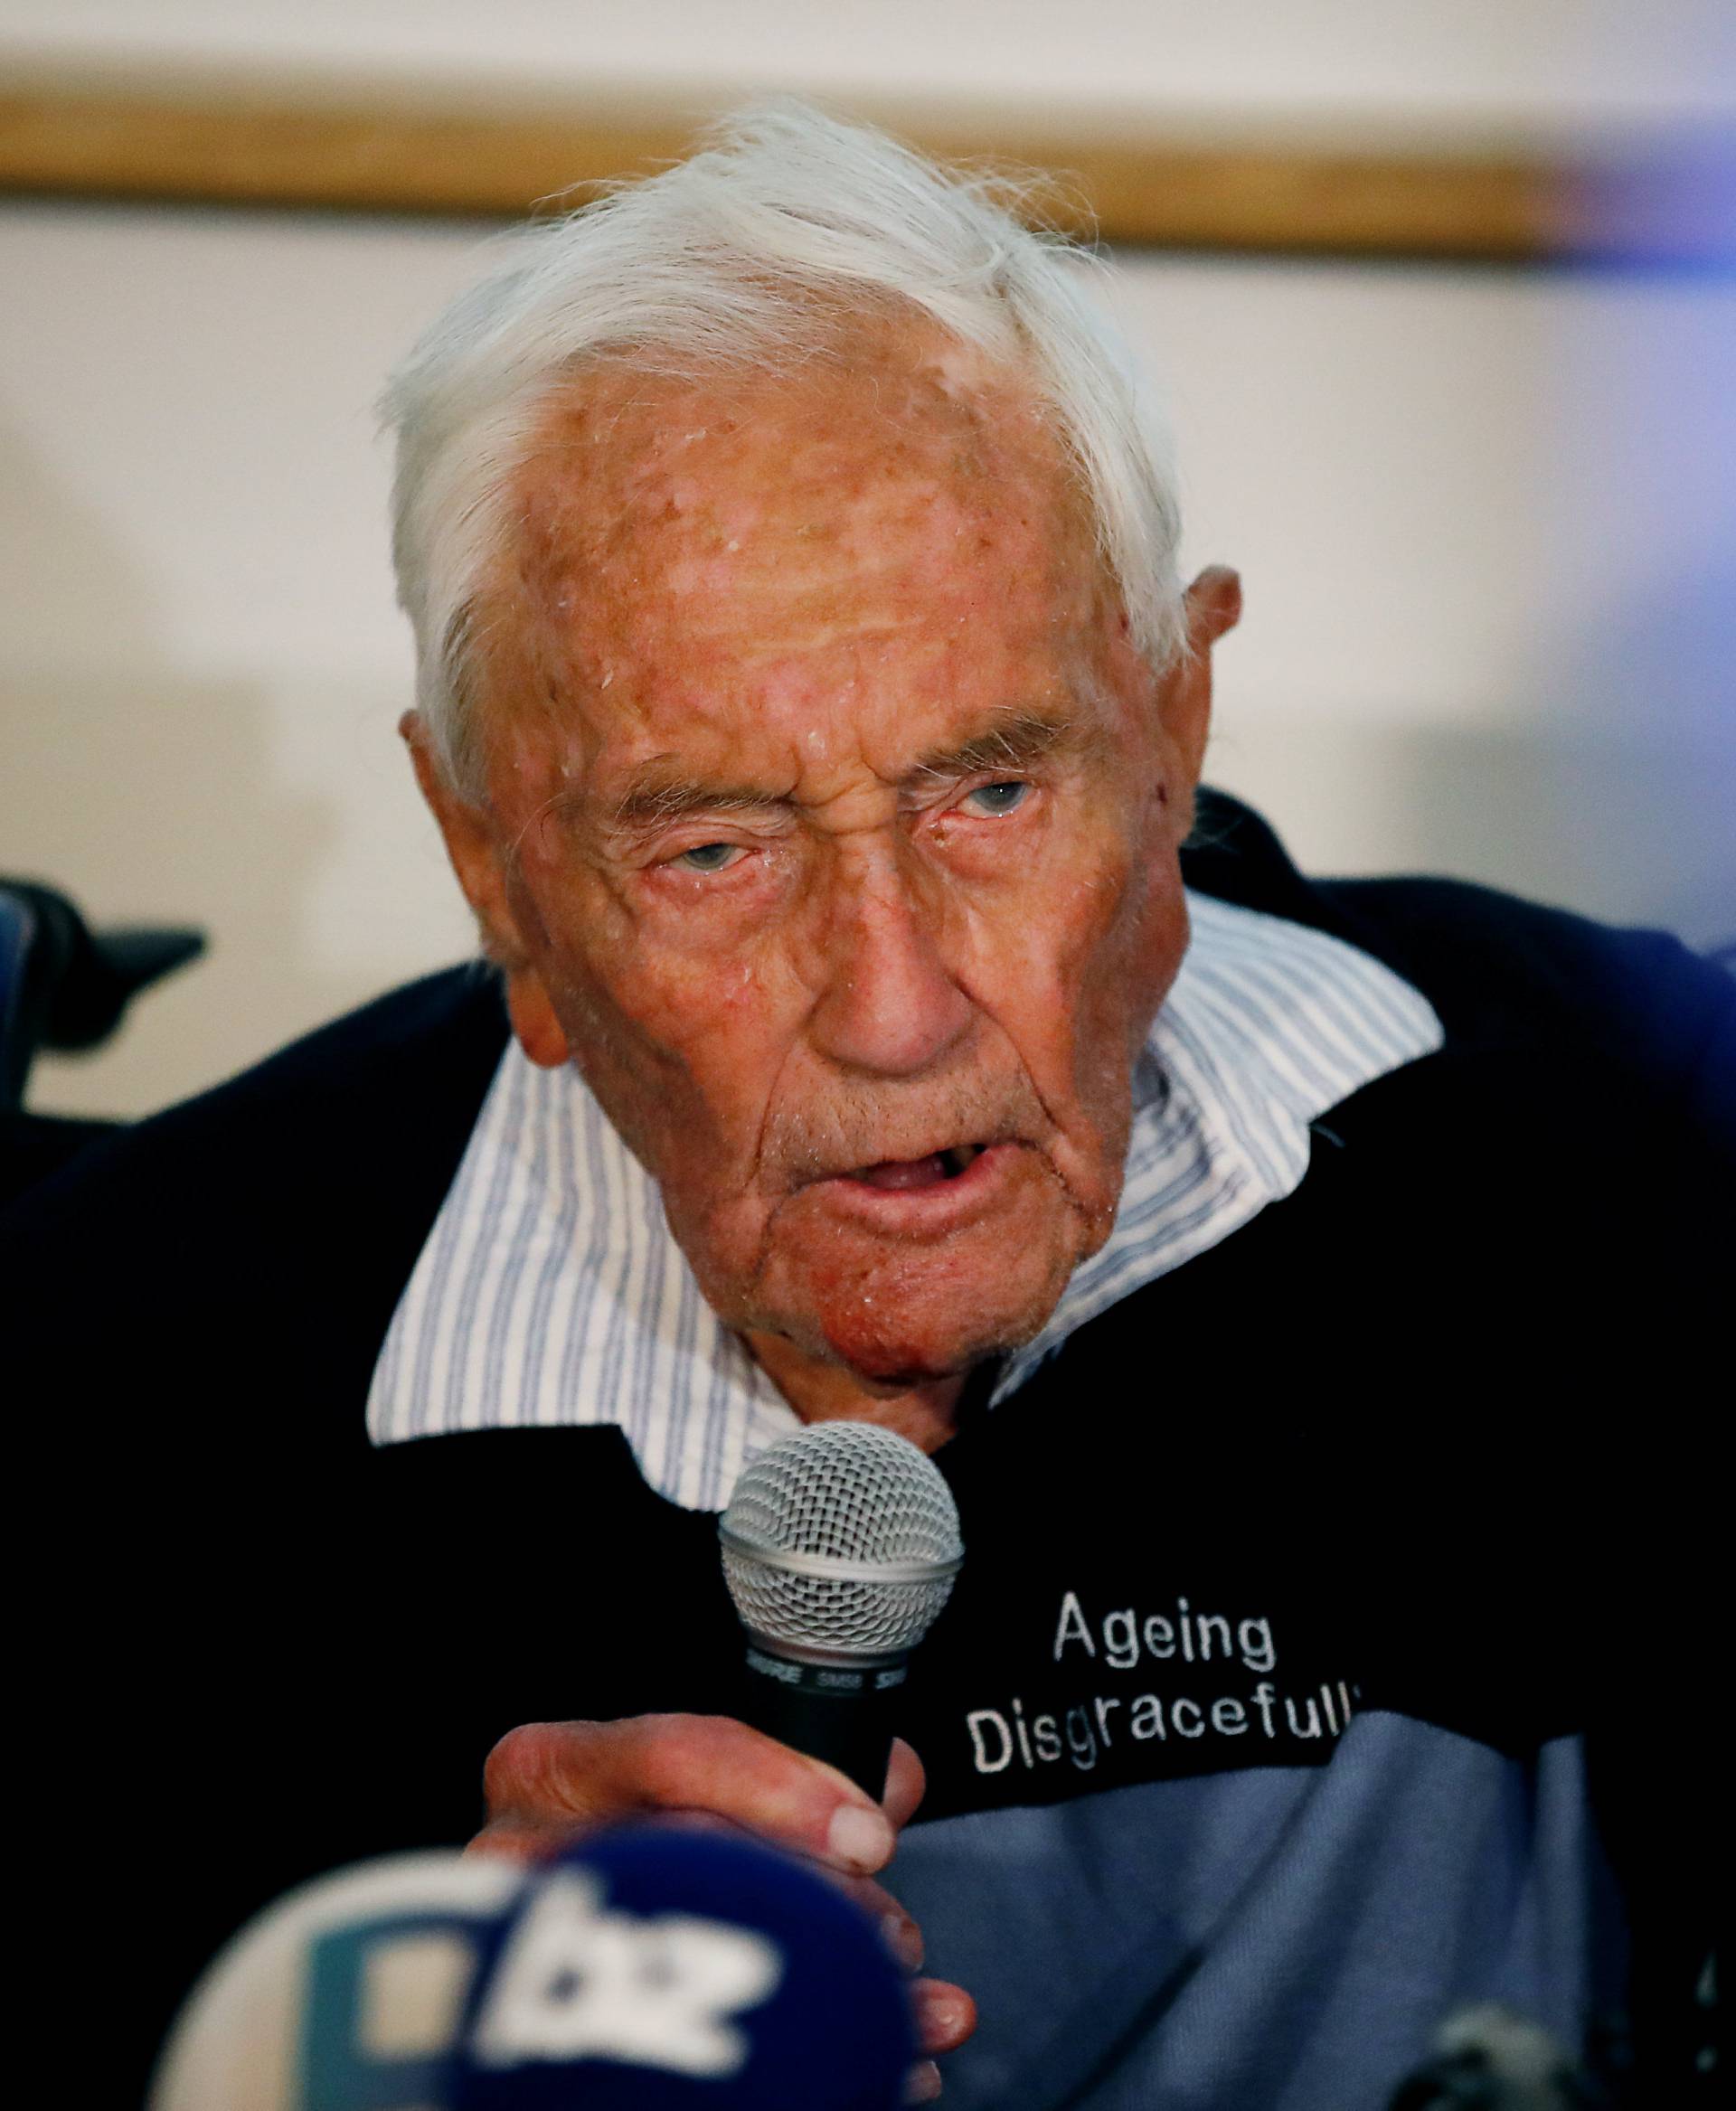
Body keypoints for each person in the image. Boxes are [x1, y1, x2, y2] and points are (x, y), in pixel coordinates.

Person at [5, 104, 1728, 2110]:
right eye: (717, 848)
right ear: (493, 868)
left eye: (990, 795)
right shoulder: (105, 1395)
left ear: (1172, 725)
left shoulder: (1630, 1136)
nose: (898, 1013)